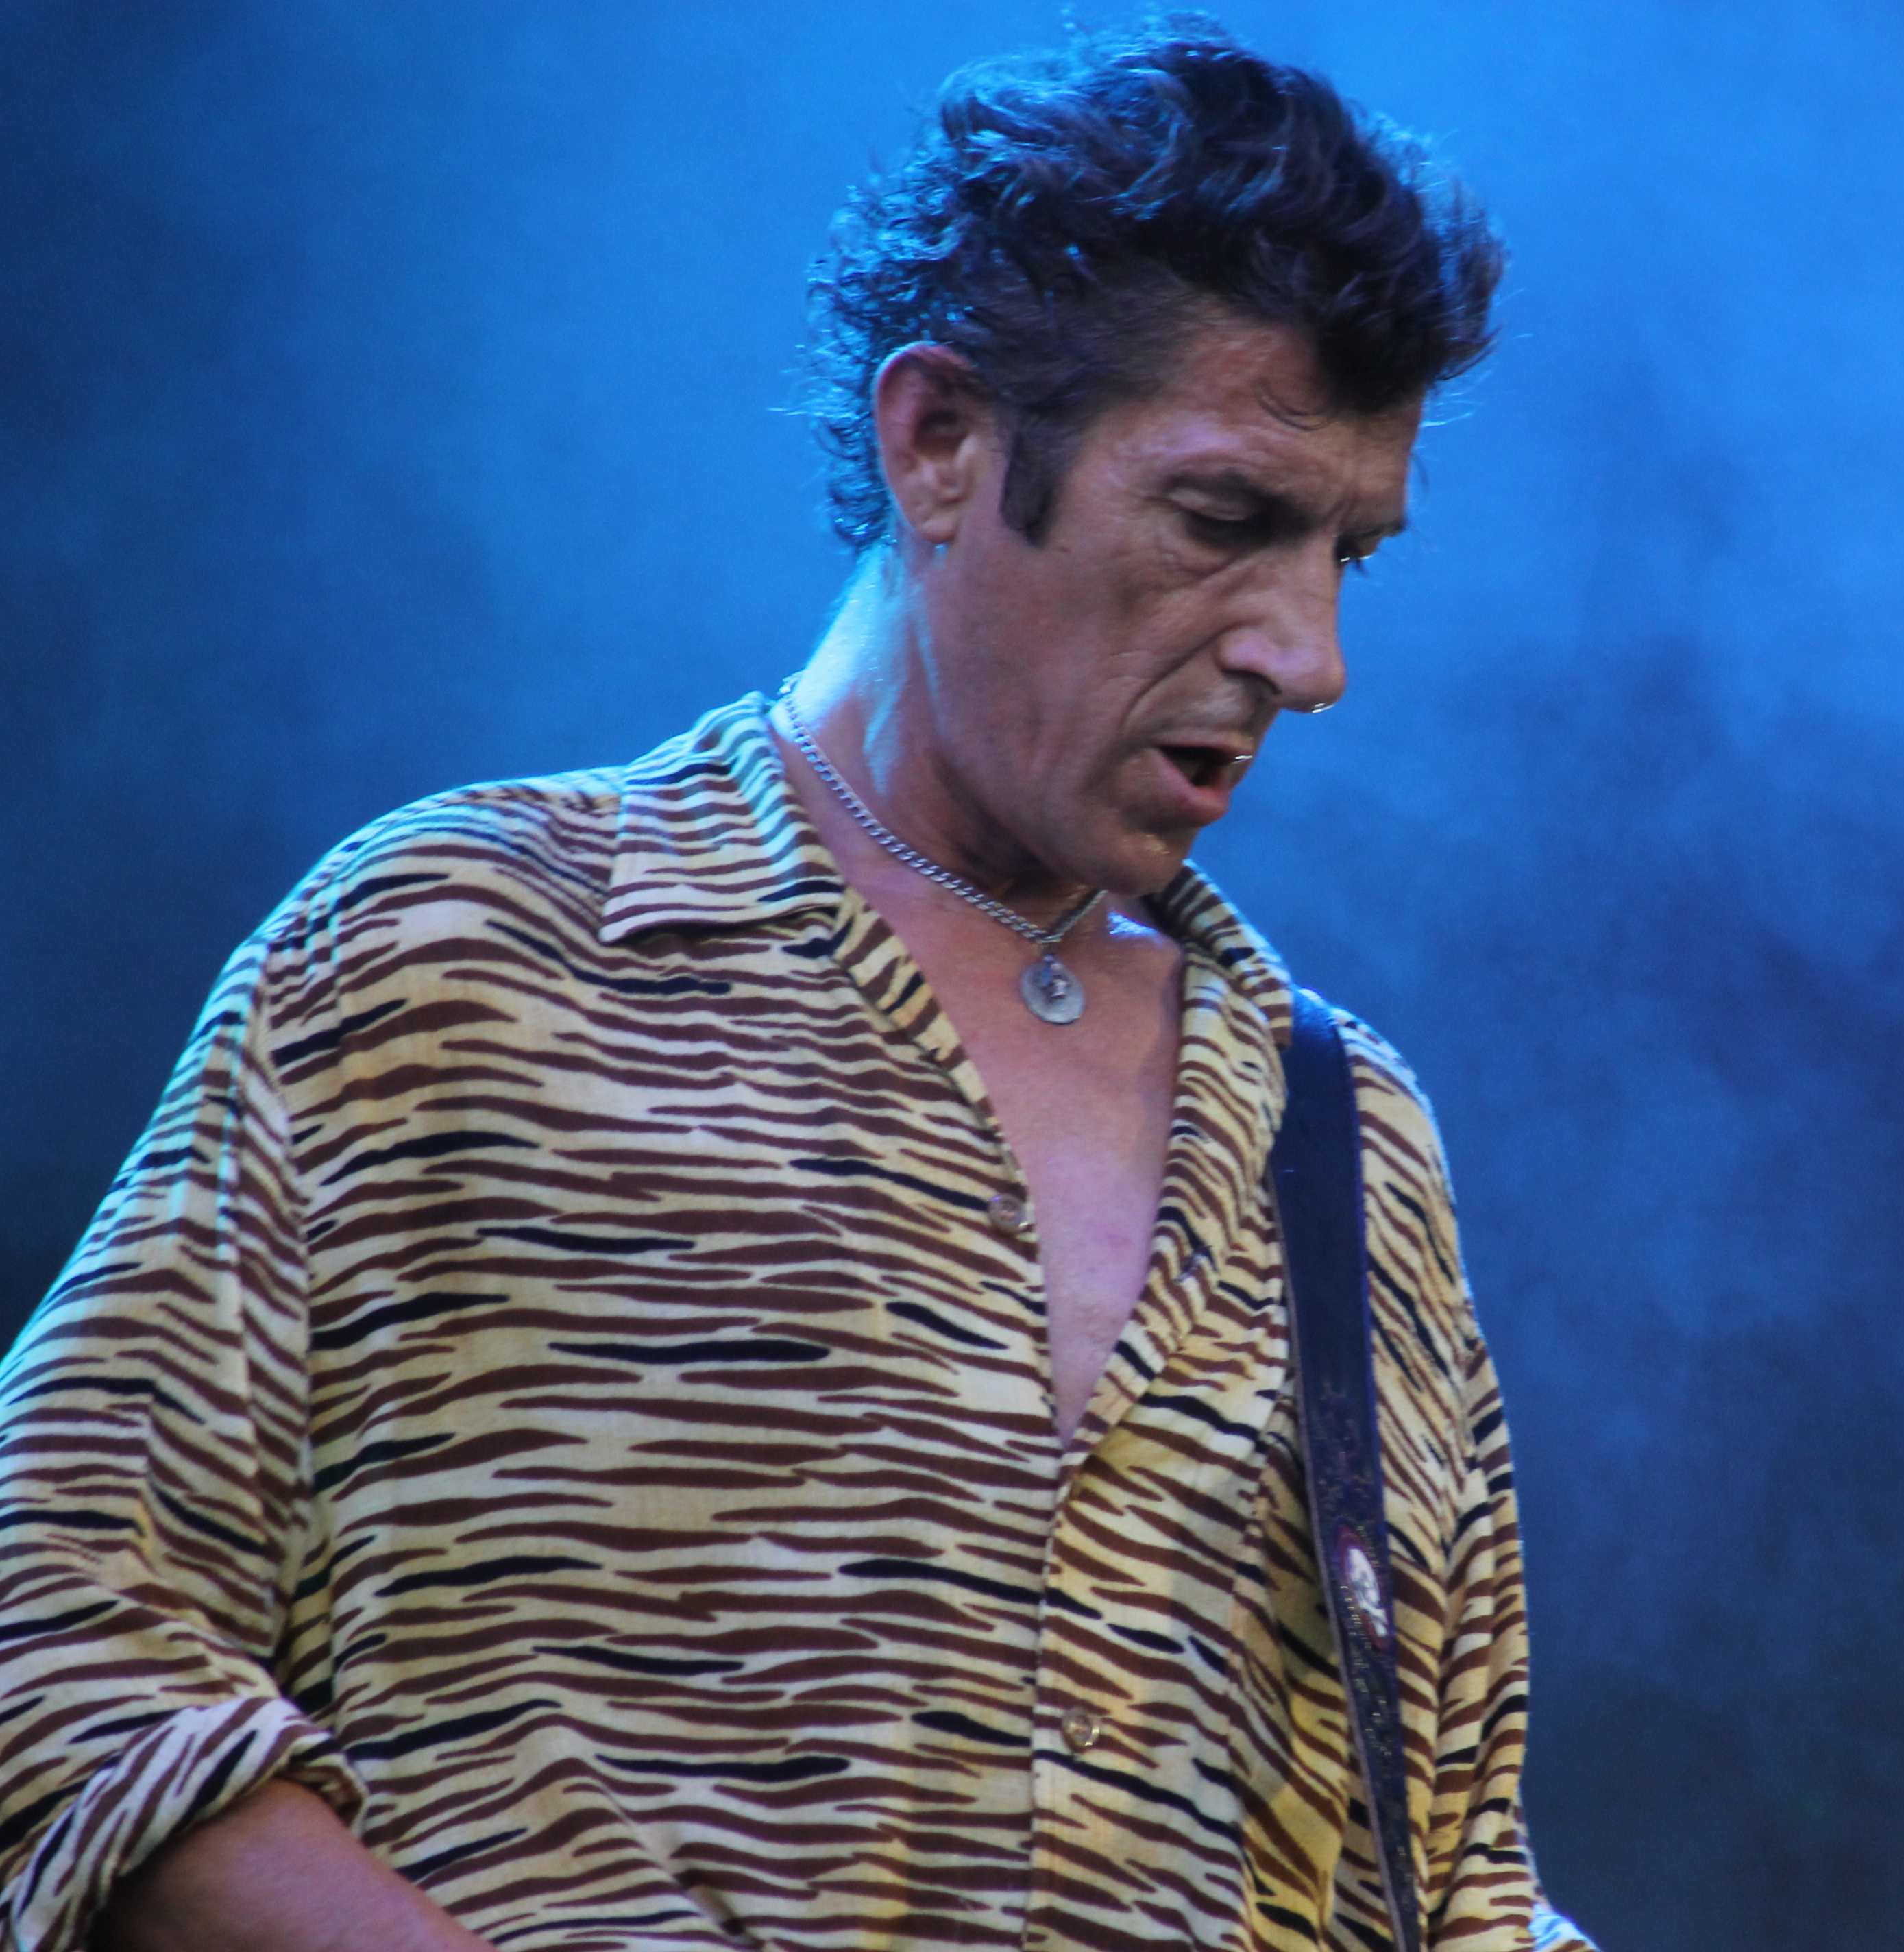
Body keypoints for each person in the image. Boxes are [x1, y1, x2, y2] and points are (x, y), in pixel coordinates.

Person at [0, 27, 1589, 1952]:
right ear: (942, 441)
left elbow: (1460, 1889)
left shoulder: (1345, 1140)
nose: (1309, 653)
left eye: (1351, 553)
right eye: (1227, 519)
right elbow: (56, 1648)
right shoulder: (463, 950)